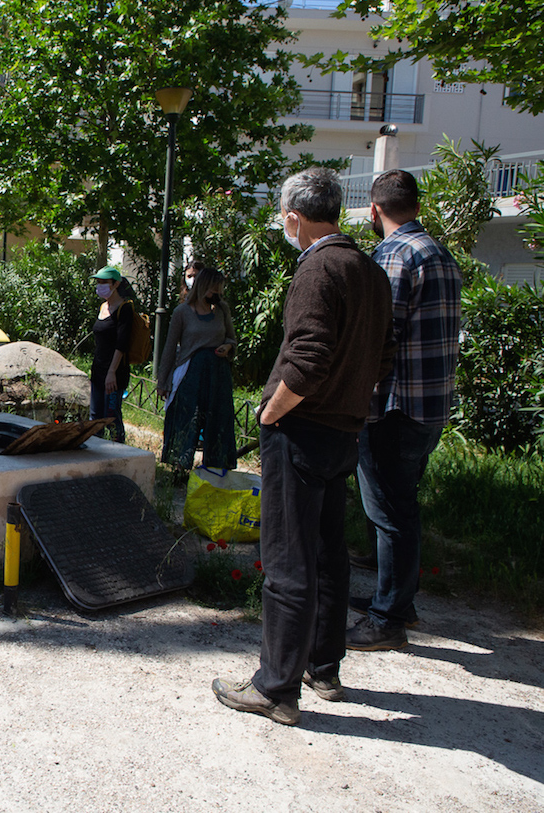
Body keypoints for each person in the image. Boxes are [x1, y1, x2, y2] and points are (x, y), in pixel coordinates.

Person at [212, 167, 395, 726]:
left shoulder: (318, 267)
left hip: (303, 427)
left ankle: (275, 687)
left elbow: (308, 356)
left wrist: (271, 412)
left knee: (290, 558)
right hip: (345, 429)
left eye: (284, 220)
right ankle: (323, 666)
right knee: (327, 553)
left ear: (295, 217)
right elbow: (383, 358)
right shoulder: (369, 270)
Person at [347, 169, 462, 651]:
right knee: (403, 506)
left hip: (393, 405)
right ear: (416, 205)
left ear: (375, 210)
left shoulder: (393, 256)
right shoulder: (440, 253)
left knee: (388, 512)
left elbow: (379, 338)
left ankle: (388, 618)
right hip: (431, 405)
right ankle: (400, 601)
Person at [156, 266, 238, 470]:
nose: (216, 295)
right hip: (191, 375)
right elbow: (169, 348)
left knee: (217, 421)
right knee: (186, 420)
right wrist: (163, 380)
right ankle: (179, 469)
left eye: (220, 291)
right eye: (213, 290)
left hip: (218, 376)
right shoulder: (182, 312)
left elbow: (231, 338)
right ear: (202, 287)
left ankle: (216, 469)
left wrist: (227, 347)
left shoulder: (222, 310)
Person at [88, 266, 134, 444]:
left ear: (116, 284)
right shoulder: (102, 307)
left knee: (112, 416)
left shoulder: (124, 309)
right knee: (96, 416)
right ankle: (94, 452)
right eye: (98, 282)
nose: (100, 286)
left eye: (104, 282)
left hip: (114, 372)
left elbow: (121, 344)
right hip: (98, 370)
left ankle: (119, 453)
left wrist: (112, 372)